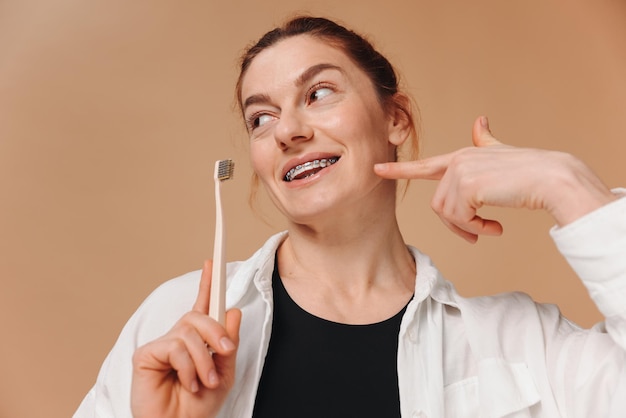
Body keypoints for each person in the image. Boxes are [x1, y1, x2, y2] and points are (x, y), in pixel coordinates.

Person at [74, 16, 626, 418]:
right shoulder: (177, 326)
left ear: (396, 119)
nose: (287, 130)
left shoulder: (520, 344)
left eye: (317, 93)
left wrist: (569, 186)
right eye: (260, 118)